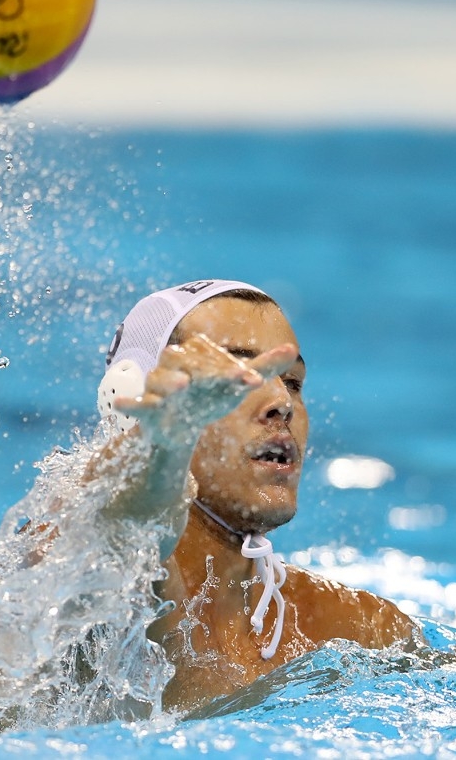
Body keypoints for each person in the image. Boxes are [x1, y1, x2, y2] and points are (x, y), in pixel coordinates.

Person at [90, 279, 422, 713]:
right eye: (237, 378)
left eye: (293, 382)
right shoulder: (73, 554)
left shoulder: (352, 627)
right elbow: (125, 528)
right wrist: (164, 437)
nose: (281, 403)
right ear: (130, 403)